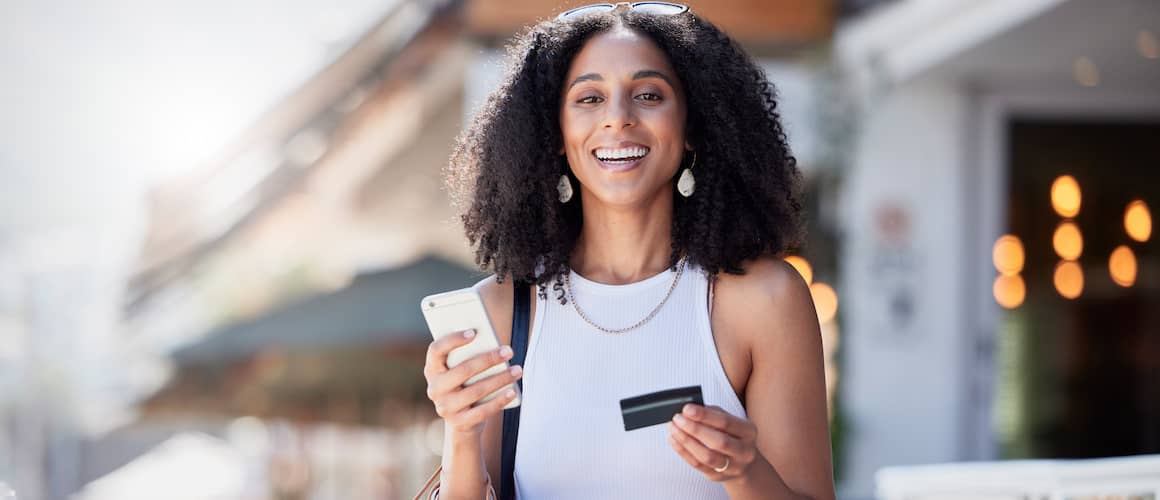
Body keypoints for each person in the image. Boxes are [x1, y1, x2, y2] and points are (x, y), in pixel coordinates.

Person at [423, 3, 834, 499]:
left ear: (693, 127)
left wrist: (743, 470)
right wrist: (461, 431)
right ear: (554, 135)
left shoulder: (764, 300)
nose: (618, 119)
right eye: (589, 98)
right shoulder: (502, 310)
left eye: (648, 95)